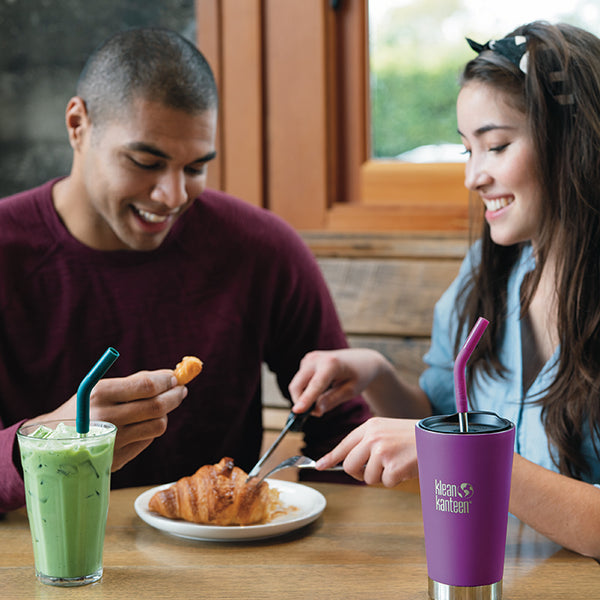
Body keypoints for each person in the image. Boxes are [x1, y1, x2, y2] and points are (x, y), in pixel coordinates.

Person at [0, 27, 371, 512]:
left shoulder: (261, 249)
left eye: (195, 168)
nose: (172, 196)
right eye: (144, 161)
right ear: (77, 125)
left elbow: (341, 433)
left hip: (223, 562)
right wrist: (45, 440)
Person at [289, 21, 600, 559]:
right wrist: (376, 373)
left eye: (496, 146)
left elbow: (454, 447)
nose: (473, 177)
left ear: (572, 142)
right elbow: (443, 414)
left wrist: (461, 456)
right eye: (466, 151)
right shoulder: (489, 272)